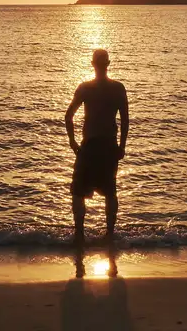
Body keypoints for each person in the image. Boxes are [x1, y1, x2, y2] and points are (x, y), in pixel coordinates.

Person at [65, 49, 129, 248]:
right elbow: (125, 120)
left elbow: (68, 116)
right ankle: (109, 234)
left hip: (91, 145)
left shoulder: (85, 88)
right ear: (107, 64)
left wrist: (72, 142)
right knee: (110, 191)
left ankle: (79, 235)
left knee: (78, 191)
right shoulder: (118, 88)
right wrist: (121, 146)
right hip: (108, 146)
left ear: (93, 64)